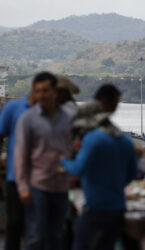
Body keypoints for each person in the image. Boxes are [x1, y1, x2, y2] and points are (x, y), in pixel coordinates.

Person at [61, 84, 138, 250]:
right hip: (118, 208)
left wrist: (63, 161)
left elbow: (78, 169)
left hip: (95, 208)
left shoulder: (92, 139)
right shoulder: (125, 141)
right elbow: (132, 173)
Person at [15, 72, 73, 250]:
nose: (41, 95)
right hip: (38, 186)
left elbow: (73, 147)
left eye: (45, 90)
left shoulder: (68, 117)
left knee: (56, 235)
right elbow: (21, 155)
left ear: (55, 91)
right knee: (36, 236)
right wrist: (23, 187)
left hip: (61, 186)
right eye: (37, 91)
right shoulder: (28, 119)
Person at [0, 91, 35, 250]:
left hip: (43, 180)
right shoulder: (14, 108)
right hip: (16, 177)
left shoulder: (57, 113)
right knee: (15, 224)